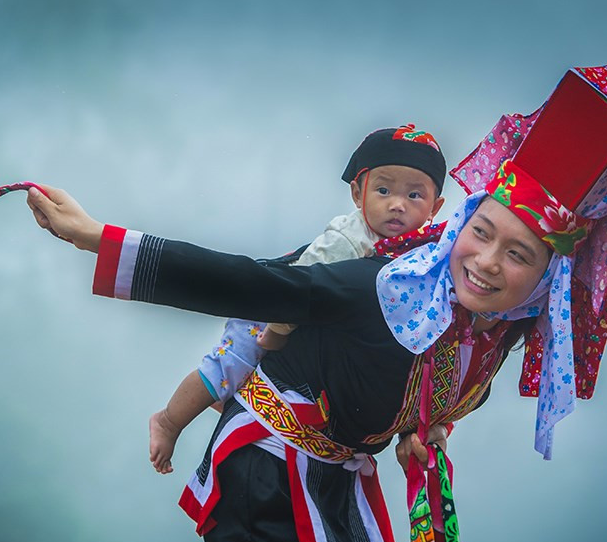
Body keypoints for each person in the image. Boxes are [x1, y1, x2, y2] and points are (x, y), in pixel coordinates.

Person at [25, 65, 607, 542]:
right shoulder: (386, 284)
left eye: (519, 254)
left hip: (339, 488)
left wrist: (421, 426)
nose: (486, 262)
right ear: (462, 222)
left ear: (546, 286)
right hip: (268, 478)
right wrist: (97, 239)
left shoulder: (496, 329)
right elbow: (256, 282)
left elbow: (417, 387)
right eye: (481, 233)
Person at [150, 125, 447, 475]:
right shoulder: (350, 240)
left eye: (414, 196)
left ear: (435, 207)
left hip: (315, 326)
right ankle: (169, 421)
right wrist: (275, 333)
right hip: (273, 307)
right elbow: (295, 289)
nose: (397, 205)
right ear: (357, 193)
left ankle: (232, 396)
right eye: (383, 190)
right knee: (228, 365)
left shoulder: (420, 257)